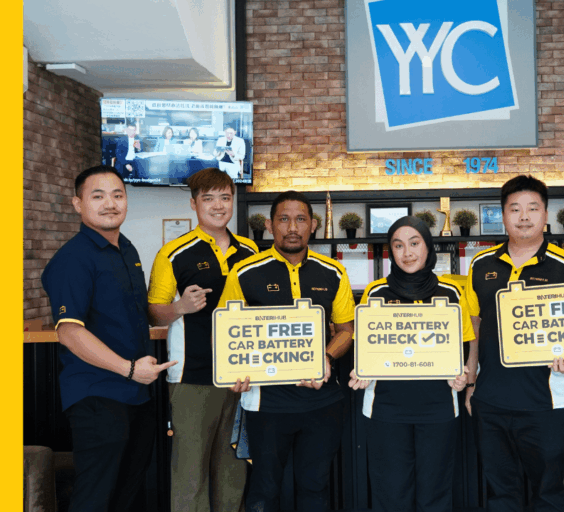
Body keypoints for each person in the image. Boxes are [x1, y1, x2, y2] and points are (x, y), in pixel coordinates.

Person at [41, 165, 177, 511]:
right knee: (96, 496)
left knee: (126, 491)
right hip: (99, 396)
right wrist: (129, 369)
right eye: (97, 196)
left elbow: (133, 315)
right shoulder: (73, 259)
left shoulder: (125, 249)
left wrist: (180, 308)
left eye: (117, 195)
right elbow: (70, 332)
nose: (110, 203)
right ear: (77, 203)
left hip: (137, 394)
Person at [224, 190, 355, 512]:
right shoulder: (243, 272)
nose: (292, 227)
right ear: (270, 225)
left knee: (315, 487)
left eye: (300, 219)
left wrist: (324, 357)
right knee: (264, 489)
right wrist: (233, 372)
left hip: (321, 402)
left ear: (312, 225)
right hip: (266, 403)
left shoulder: (333, 272)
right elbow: (227, 334)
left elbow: (347, 330)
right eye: (283, 219)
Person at [464, 175, 564, 512]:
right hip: (491, 400)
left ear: (546, 214)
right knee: (502, 494)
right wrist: (472, 381)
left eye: (533, 208)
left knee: (546, 492)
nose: (524, 216)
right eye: (514, 209)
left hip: (546, 400)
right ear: (502, 215)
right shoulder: (480, 264)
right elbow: (475, 326)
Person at [147, 168, 257, 512]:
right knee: (190, 472)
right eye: (208, 198)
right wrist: (180, 306)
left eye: (225, 197)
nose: (218, 205)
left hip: (241, 377)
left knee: (234, 466)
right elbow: (154, 312)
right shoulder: (173, 252)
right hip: (192, 375)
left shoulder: (251, 250)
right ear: (194, 203)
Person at [348, 216, 474, 512]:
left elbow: (465, 345)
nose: (407, 253)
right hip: (385, 409)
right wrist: (362, 370)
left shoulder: (451, 293)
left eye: (415, 243)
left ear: (428, 247)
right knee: (391, 493)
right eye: (398, 245)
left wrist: (463, 377)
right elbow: (366, 348)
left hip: (439, 408)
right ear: (390, 251)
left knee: (435, 492)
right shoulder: (376, 293)